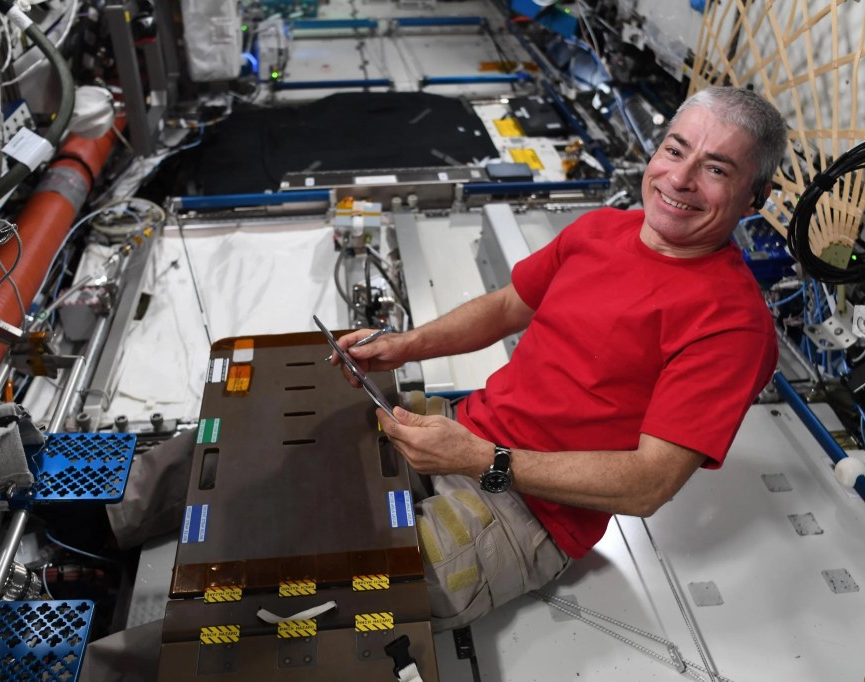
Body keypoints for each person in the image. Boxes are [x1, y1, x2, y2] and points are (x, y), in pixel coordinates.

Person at [331, 85, 784, 632]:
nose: (680, 179)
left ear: (755, 197)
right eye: (674, 150)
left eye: (715, 169)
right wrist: (404, 344)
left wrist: (482, 459)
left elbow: (649, 483)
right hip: (466, 428)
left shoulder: (733, 326)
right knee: (312, 468)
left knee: (338, 592)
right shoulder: (600, 229)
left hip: (524, 511)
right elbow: (507, 306)